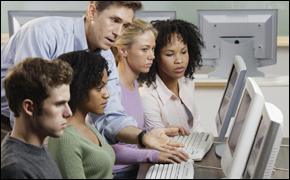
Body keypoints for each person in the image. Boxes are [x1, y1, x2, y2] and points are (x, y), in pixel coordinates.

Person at [1, 1, 183, 151]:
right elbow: (26, 106)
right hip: (11, 121)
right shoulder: (43, 33)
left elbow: (110, 116)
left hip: (53, 124)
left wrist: (144, 136)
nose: (119, 33)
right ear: (92, 11)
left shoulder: (106, 57)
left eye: (125, 25)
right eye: (114, 20)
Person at [110, 18, 190, 179]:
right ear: (123, 51)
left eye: (153, 49)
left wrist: (154, 132)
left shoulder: (133, 82)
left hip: (136, 166)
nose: (152, 56)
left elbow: (131, 134)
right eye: (145, 49)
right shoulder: (111, 91)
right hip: (118, 173)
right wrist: (152, 155)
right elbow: (105, 149)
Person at [1, 57, 73, 179]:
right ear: (29, 108)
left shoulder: (35, 147)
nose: (69, 113)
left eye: (67, 103)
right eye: (59, 104)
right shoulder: (16, 169)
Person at [48, 50, 115, 179]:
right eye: (99, 88)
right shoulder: (66, 138)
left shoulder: (85, 125)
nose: (107, 94)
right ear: (79, 87)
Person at [138, 19, 205, 133]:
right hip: (169, 150)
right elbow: (159, 141)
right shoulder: (147, 97)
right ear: (156, 56)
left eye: (183, 52)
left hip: (192, 148)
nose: (179, 60)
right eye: (170, 54)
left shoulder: (186, 82)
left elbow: (195, 123)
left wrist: (203, 144)